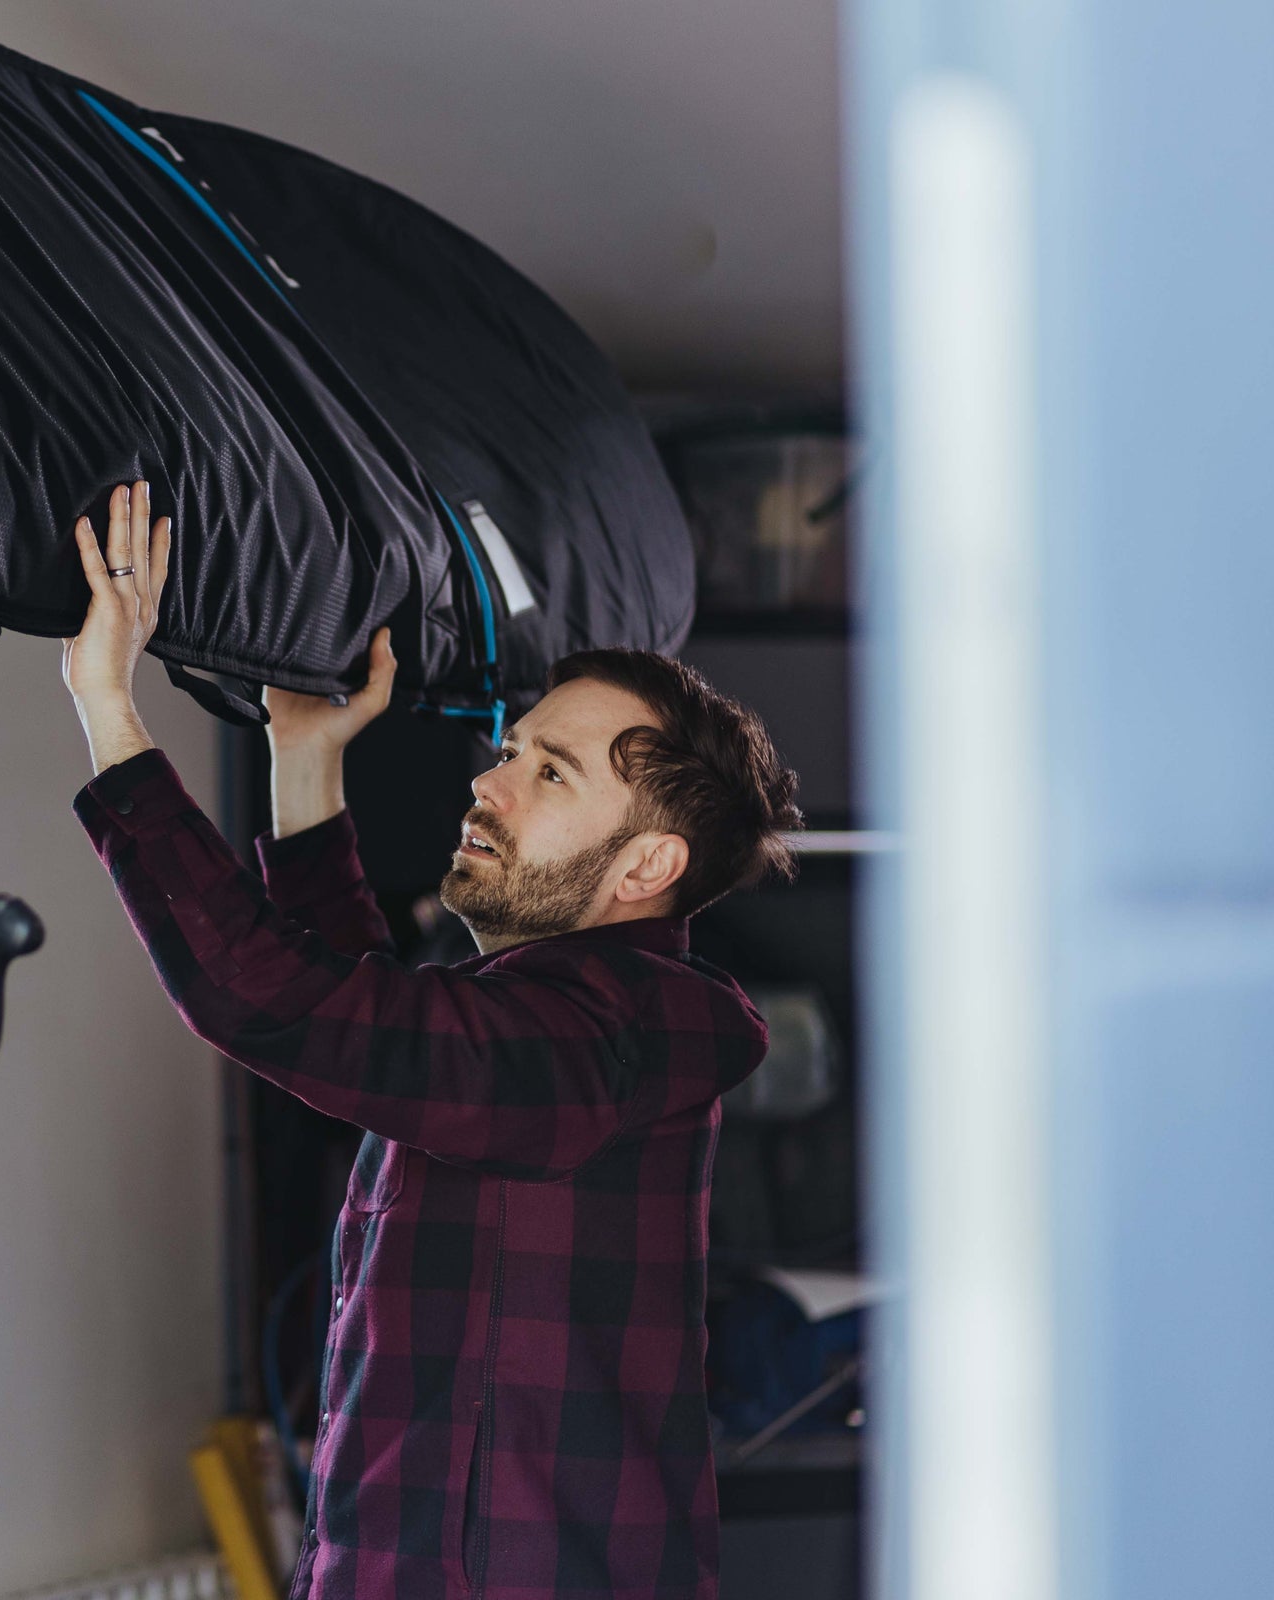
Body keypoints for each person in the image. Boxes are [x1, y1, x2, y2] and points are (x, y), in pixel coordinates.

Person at [61, 479, 803, 1599]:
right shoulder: (547, 1023)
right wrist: (304, 757)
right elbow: (369, 1026)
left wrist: (109, 710)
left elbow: (285, 1002)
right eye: (512, 749)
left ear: (648, 866)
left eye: (549, 772)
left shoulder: (614, 1036)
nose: (488, 781)